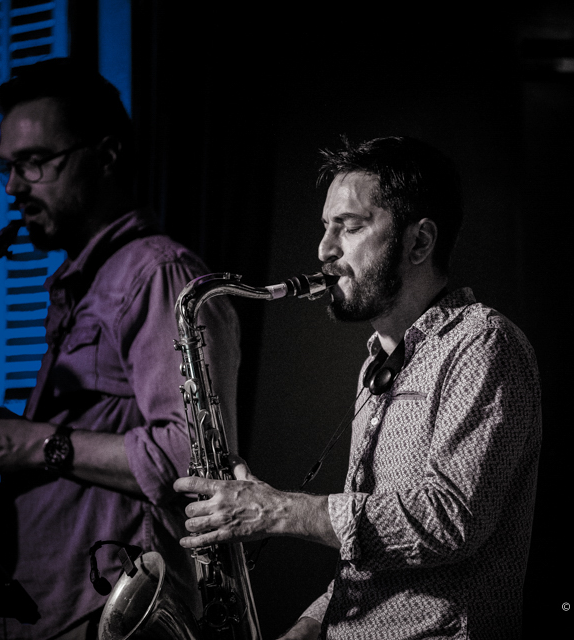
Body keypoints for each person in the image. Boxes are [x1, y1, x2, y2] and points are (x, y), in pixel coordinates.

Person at [0, 58, 241, 639]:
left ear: (107, 155)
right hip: (47, 612)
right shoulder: (88, 284)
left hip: (107, 615)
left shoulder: (157, 274)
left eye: (35, 162)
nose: (14, 187)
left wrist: (28, 442)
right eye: (7, 167)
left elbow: (195, 460)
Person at [174, 136, 541, 639]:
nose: (324, 250)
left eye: (349, 227)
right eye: (326, 227)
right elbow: (373, 552)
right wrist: (310, 625)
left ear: (419, 242)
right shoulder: (377, 362)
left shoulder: (483, 342)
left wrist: (277, 509)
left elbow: (450, 521)